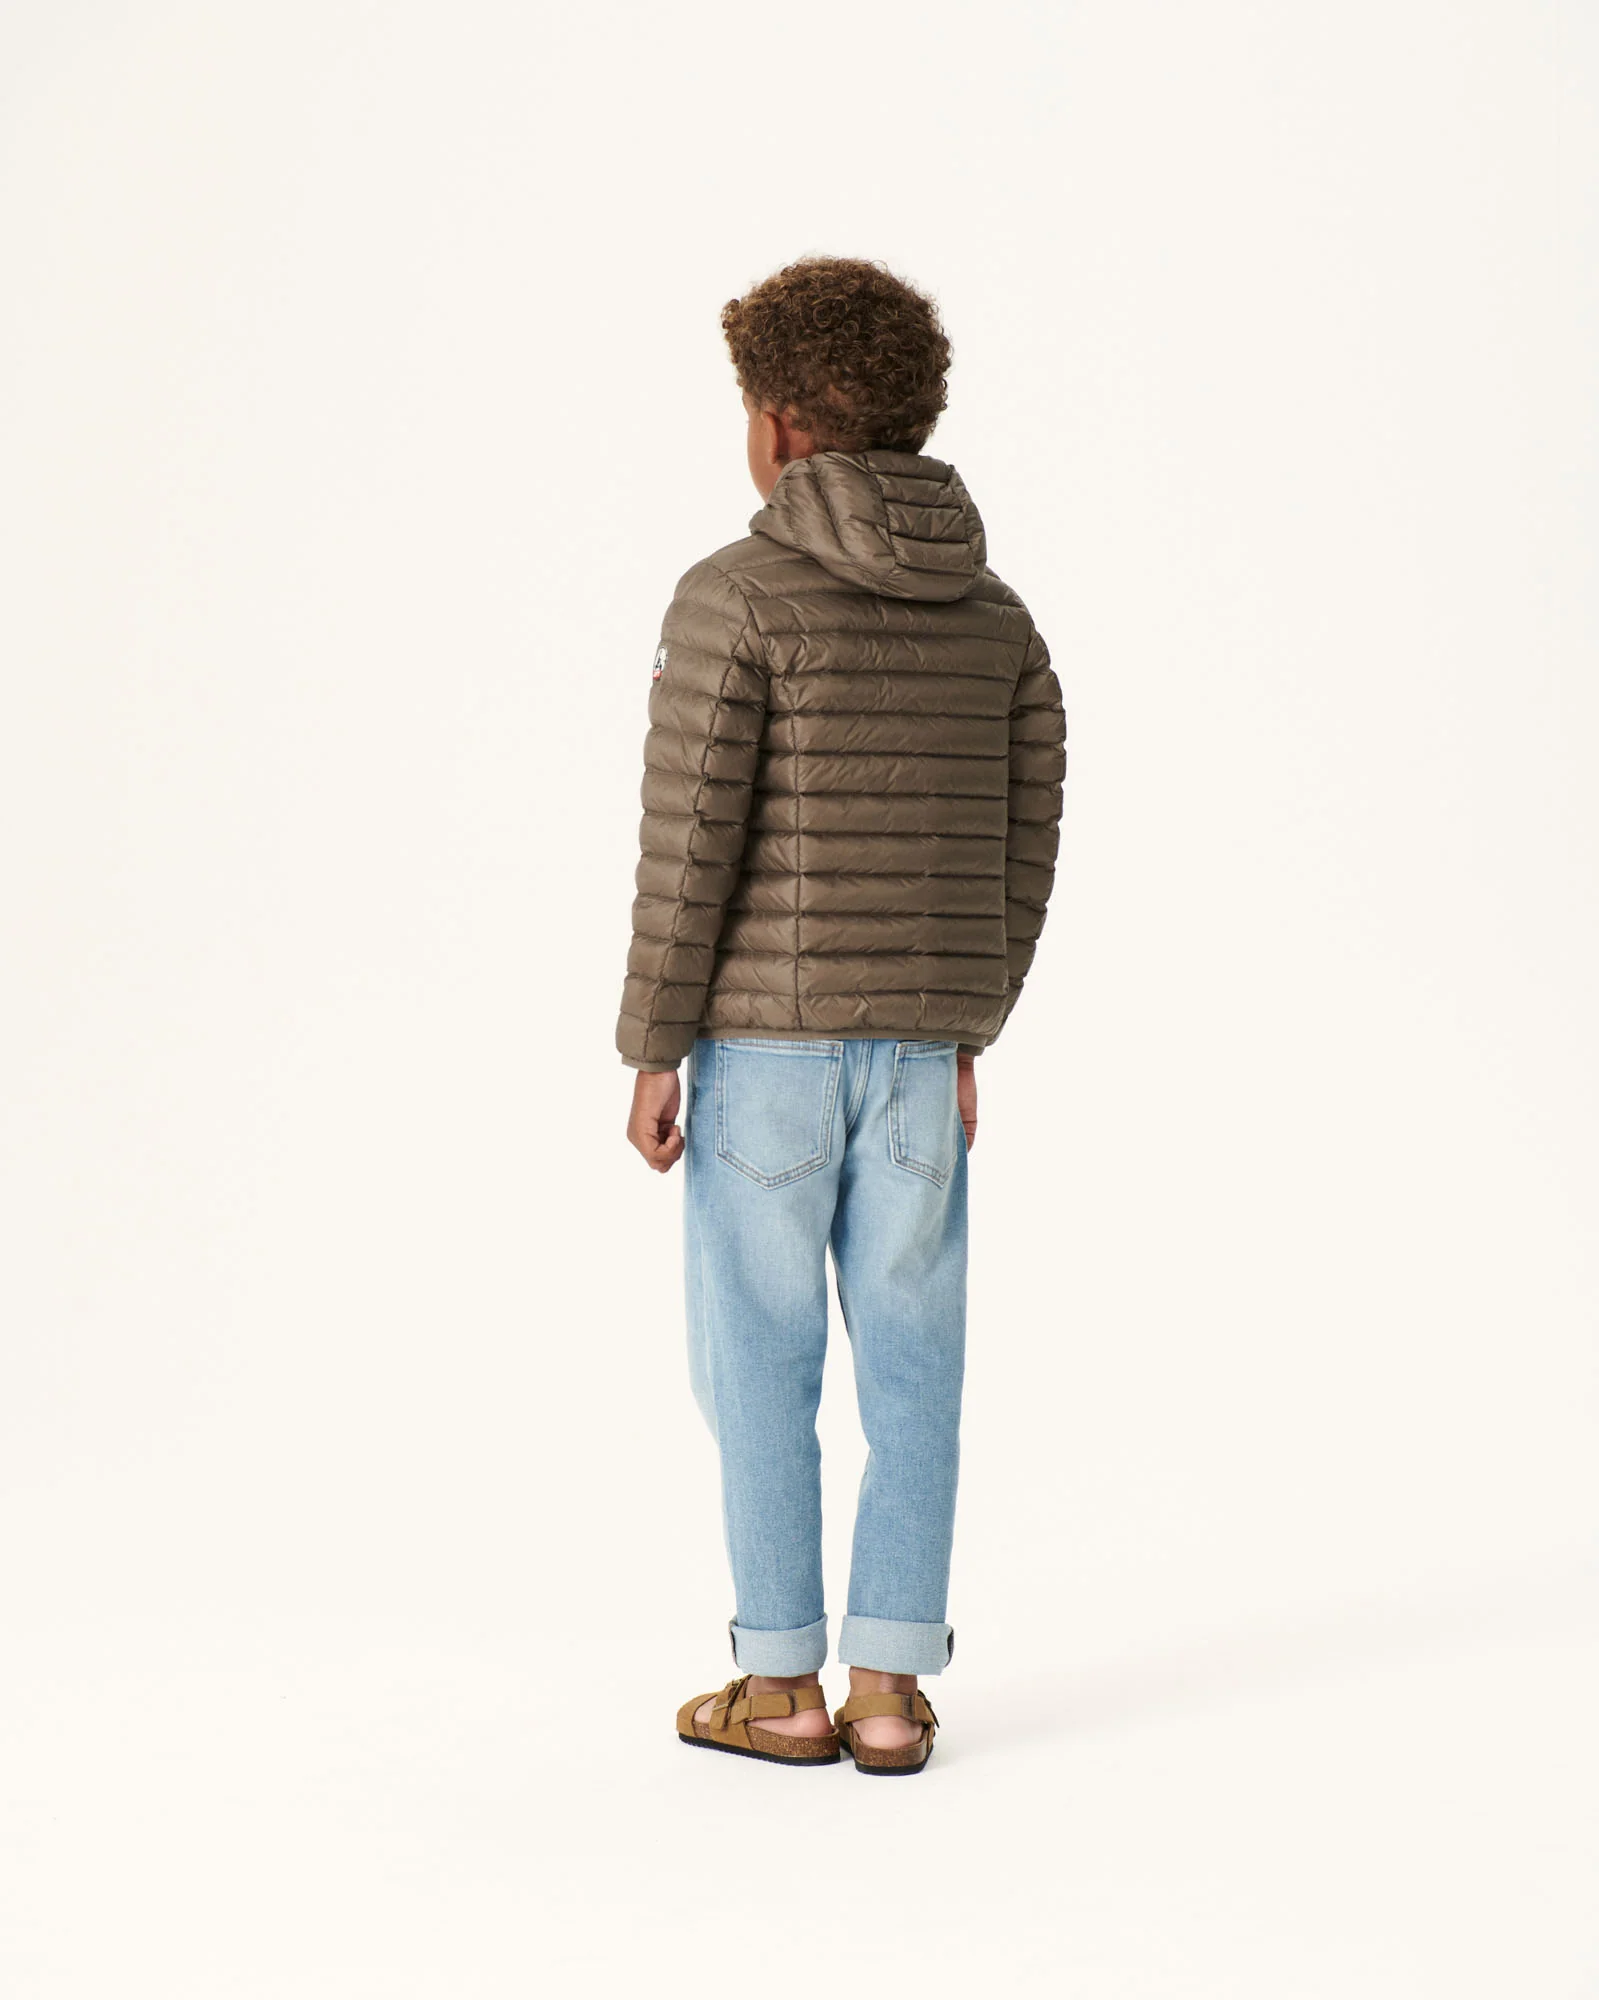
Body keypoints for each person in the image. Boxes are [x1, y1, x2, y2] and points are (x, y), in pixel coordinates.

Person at [615, 255, 1067, 1775]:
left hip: (763, 1050)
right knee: (915, 1365)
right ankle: (887, 1692)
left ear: (783, 427)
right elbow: (1026, 833)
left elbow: (691, 845)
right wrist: (964, 1027)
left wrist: (652, 1047)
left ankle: (778, 1688)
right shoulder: (996, 617)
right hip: (920, 1053)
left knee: (758, 1363)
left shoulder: (732, 597)